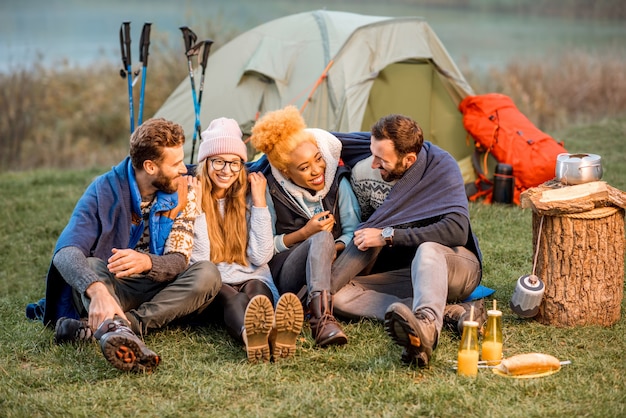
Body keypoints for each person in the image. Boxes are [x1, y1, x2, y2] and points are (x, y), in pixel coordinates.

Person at [31, 118, 221, 373]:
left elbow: (179, 259)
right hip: (113, 285)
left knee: (207, 273)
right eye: (176, 163)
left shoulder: (184, 191)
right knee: (89, 265)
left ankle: (119, 327)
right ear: (150, 166)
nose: (184, 170)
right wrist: (97, 291)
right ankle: (110, 323)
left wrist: (148, 262)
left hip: (159, 286)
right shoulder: (103, 190)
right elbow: (65, 252)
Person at [331, 114, 486, 368]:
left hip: (454, 268)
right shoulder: (375, 163)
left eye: (382, 160)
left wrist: (388, 236)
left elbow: (457, 230)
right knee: (339, 297)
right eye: (373, 154)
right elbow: (331, 141)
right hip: (409, 275)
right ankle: (450, 313)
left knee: (427, 251)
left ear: (409, 160)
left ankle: (426, 328)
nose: (373, 164)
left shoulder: (440, 167)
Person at [191, 117, 303, 364]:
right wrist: (197, 208)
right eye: (218, 161)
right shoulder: (192, 194)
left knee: (257, 293)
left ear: (241, 165)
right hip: (216, 281)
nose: (226, 170)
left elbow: (261, 257)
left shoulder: (250, 197)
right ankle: (250, 337)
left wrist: (260, 202)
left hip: (252, 273)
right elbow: (200, 262)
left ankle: (275, 332)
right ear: (205, 162)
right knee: (231, 296)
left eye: (234, 163)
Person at [249, 106, 361, 347]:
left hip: (334, 266)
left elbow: (354, 232)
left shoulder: (337, 182)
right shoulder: (271, 189)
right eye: (304, 167)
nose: (317, 170)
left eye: (318, 159)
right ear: (285, 172)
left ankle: (309, 306)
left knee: (338, 241)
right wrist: (305, 234)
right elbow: (265, 247)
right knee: (320, 238)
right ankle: (322, 321)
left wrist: (332, 249)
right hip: (289, 269)